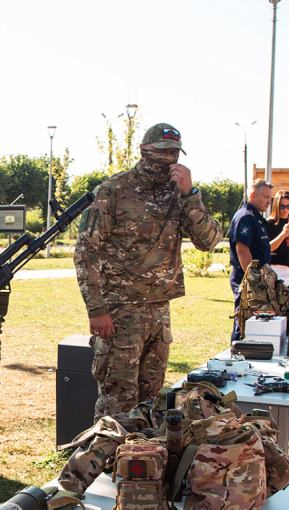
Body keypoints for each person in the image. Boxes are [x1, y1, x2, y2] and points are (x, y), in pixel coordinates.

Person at [74, 123, 223, 421]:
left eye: (175, 153)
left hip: (159, 311)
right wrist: (97, 309)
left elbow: (209, 241)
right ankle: (106, 462)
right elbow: (85, 250)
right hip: (120, 312)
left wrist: (191, 195)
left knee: (151, 402)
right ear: (144, 151)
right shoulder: (113, 190)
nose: (170, 160)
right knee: (117, 401)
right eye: (163, 152)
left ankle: (142, 461)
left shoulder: (179, 194)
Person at [227, 178, 274, 341]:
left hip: (258, 278)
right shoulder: (246, 217)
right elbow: (242, 248)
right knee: (245, 320)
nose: (269, 201)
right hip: (247, 279)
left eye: (270, 198)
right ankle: (237, 352)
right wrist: (253, 279)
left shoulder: (256, 218)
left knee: (255, 323)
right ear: (253, 195)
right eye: (266, 197)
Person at [265, 190, 289, 275]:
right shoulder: (269, 224)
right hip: (272, 268)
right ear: (276, 206)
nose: (285, 209)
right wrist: (283, 234)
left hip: (288, 268)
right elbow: (267, 248)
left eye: (288, 206)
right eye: (282, 206)